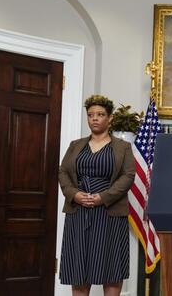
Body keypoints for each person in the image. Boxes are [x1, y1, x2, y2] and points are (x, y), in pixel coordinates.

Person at [58, 95, 135, 296]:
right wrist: (74, 194)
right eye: (90, 115)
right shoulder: (76, 145)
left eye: (100, 114)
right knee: (79, 269)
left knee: (111, 269)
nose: (95, 118)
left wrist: (104, 197)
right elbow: (63, 172)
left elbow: (128, 176)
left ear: (109, 118)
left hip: (110, 213)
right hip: (79, 211)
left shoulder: (122, 147)